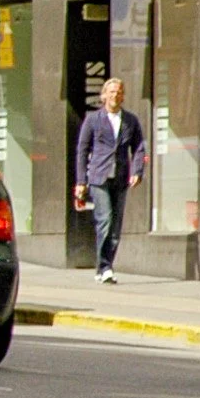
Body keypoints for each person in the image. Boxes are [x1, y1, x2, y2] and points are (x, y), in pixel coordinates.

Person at [72, 78, 146, 283]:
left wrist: (137, 170)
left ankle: (103, 266)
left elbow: (139, 147)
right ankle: (105, 267)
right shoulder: (93, 119)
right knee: (105, 220)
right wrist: (81, 181)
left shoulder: (131, 120)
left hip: (121, 177)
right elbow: (82, 149)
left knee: (116, 226)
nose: (115, 95)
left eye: (119, 92)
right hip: (99, 177)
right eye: (112, 92)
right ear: (104, 96)